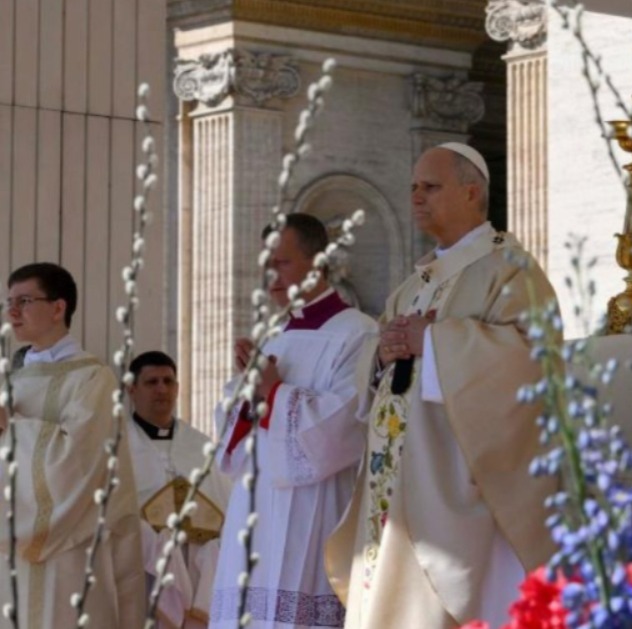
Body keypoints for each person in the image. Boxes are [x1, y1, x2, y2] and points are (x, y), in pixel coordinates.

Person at [325, 143, 559, 628]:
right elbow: (381, 368)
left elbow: (533, 361)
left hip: (455, 483)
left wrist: (433, 342)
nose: (415, 197)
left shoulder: (511, 270)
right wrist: (383, 351)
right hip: (394, 479)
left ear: (472, 192)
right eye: (412, 187)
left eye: (429, 187)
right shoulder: (413, 285)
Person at [210, 213, 377, 628]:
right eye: (266, 265)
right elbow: (233, 438)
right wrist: (246, 396)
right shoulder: (272, 335)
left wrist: (273, 392)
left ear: (317, 263)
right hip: (253, 509)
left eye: (281, 263)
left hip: (314, 510)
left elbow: (346, 426)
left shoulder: (358, 333)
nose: (271, 276)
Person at [0, 262, 145, 628]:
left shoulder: (93, 378)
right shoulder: (11, 381)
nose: (12, 312)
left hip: (68, 554)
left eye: (24, 301)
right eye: (9, 302)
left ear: (58, 307)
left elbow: (76, 465)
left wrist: (10, 429)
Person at [127, 350, 232, 628]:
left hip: (197, 573)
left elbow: (228, 511)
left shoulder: (201, 445)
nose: (162, 389)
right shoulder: (117, 448)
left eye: (168, 381)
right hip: (142, 573)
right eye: (151, 382)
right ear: (131, 389)